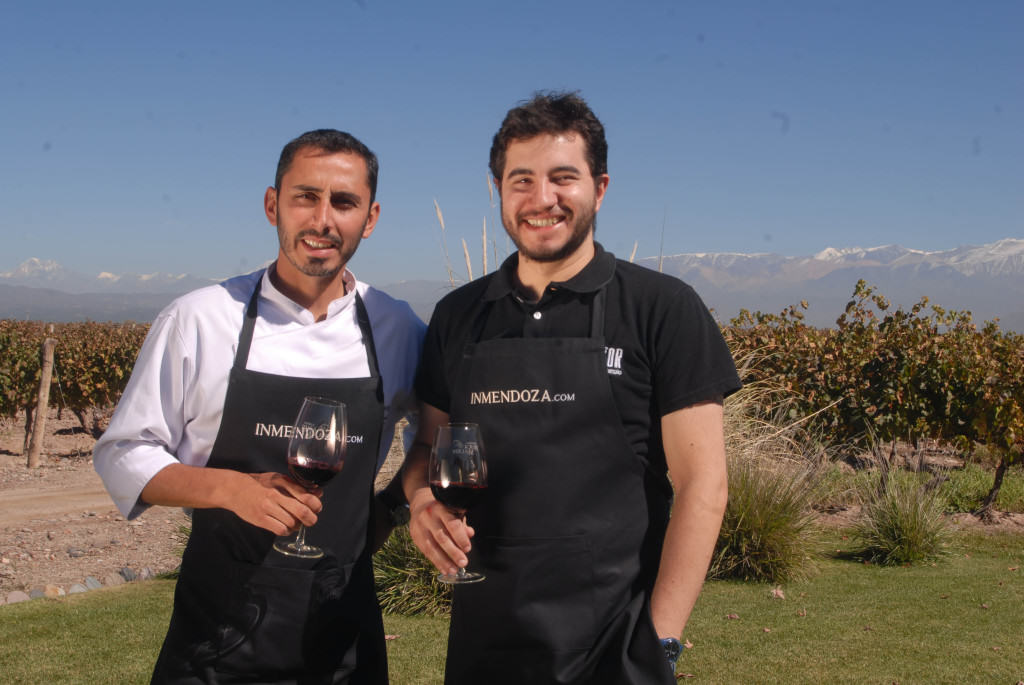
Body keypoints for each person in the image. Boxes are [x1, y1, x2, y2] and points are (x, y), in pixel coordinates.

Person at [402, 92, 741, 684]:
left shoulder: (660, 309)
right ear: (498, 191)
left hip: (613, 647)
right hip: (484, 641)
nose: (542, 200)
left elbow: (703, 486)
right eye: (521, 180)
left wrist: (658, 643)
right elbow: (428, 451)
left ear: (600, 187)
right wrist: (421, 500)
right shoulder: (459, 315)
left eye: (563, 178)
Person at [94, 129, 424, 684]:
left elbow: (434, 434)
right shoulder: (200, 319)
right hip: (217, 642)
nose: (322, 219)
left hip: (346, 640)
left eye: (343, 202)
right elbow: (124, 452)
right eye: (305, 196)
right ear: (273, 205)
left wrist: (390, 509)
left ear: (369, 219)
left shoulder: (397, 327)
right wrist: (230, 489)